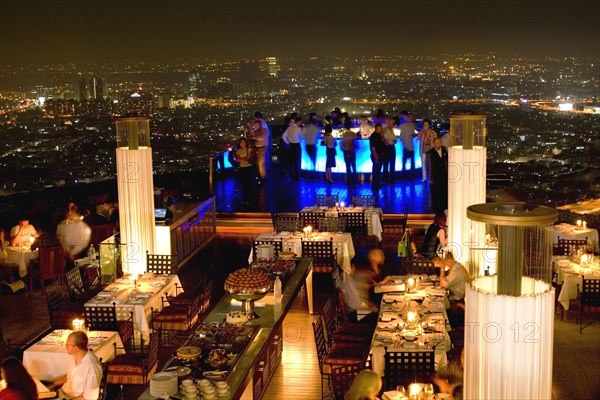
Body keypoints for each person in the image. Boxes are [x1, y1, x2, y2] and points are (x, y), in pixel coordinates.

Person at [47, 331, 102, 400]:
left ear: (76, 348)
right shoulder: (77, 356)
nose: (66, 346)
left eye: (68, 344)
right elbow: (69, 376)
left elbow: (90, 397)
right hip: (62, 393)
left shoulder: (91, 367)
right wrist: (52, 385)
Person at [427, 137, 449, 214]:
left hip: (443, 175)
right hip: (435, 176)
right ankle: (436, 210)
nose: (438, 144)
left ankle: (444, 207)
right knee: (436, 193)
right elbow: (429, 167)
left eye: (439, 142)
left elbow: (447, 161)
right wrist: (431, 179)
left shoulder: (444, 150)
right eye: (436, 143)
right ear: (433, 144)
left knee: (444, 191)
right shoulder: (430, 153)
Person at [234, 137, 255, 205]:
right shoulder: (238, 150)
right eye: (241, 142)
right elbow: (237, 159)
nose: (242, 143)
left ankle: (250, 198)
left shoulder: (248, 149)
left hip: (248, 168)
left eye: (243, 142)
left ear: (246, 143)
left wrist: (242, 159)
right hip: (242, 168)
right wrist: (243, 159)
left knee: (249, 184)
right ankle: (245, 199)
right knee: (243, 184)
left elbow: (248, 158)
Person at [249, 119, 268, 184]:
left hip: (262, 148)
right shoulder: (256, 131)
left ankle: (262, 177)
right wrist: (252, 131)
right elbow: (251, 136)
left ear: (260, 124)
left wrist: (254, 137)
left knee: (260, 163)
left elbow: (261, 138)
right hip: (256, 148)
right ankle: (259, 176)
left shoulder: (264, 130)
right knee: (257, 163)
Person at [399, 111, 416, 176]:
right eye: (409, 117)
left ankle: (410, 175)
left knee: (411, 161)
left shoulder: (411, 125)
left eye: (411, 117)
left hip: (410, 146)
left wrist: (413, 135)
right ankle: (404, 174)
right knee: (405, 161)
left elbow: (413, 134)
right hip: (406, 146)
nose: (410, 119)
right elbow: (400, 136)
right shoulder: (402, 126)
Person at [341, 118, 357, 184]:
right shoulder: (353, 134)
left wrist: (343, 148)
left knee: (348, 166)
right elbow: (355, 143)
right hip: (352, 151)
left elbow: (342, 144)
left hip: (346, 151)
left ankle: (349, 180)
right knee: (353, 165)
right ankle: (355, 179)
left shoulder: (344, 135)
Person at [369, 123, 385, 190]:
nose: (381, 129)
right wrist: (376, 155)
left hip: (379, 154)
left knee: (377, 170)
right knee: (376, 170)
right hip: (376, 154)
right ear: (376, 128)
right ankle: (375, 185)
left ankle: (377, 184)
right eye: (380, 128)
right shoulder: (374, 136)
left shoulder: (379, 135)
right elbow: (373, 147)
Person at [382, 117, 397, 183]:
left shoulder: (392, 130)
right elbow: (383, 138)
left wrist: (394, 141)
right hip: (387, 148)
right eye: (390, 123)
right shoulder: (384, 130)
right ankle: (385, 179)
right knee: (386, 164)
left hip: (392, 147)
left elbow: (393, 139)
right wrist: (386, 141)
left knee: (392, 163)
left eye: (392, 123)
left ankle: (392, 179)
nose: (391, 124)